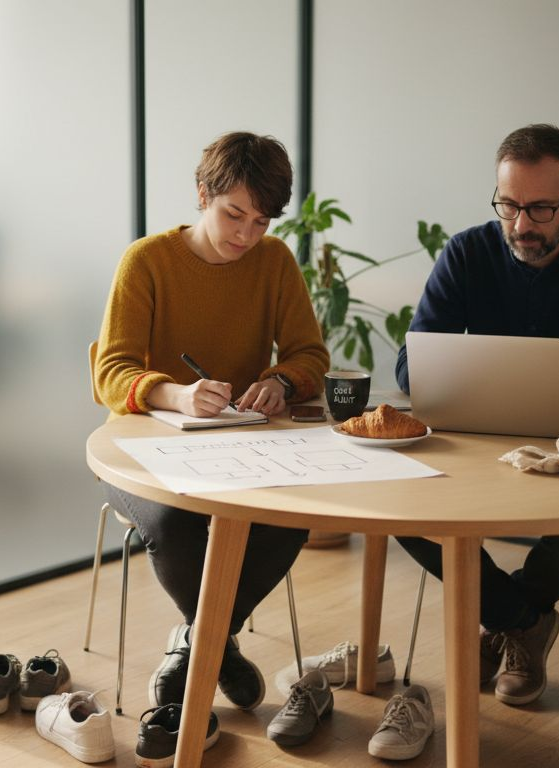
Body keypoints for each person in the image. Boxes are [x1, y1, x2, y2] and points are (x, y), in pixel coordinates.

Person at [394, 123, 559, 706]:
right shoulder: (468, 251)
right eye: (508, 205)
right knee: (398, 509)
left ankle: (507, 622)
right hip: (473, 443)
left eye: (540, 209)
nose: (520, 226)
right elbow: (410, 364)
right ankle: (522, 621)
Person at [94, 131, 331, 713]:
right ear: (203, 194)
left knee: (290, 518)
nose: (246, 236)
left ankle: (199, 642)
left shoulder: (273, 263)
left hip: (243, 453)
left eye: (261, 222)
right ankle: (216, 648)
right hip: (142, 455)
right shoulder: (147, 262)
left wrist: (279, 382)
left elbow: (311, 357)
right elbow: (111, 372)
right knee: (175, 522)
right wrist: (176, 395)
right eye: (234, 215)